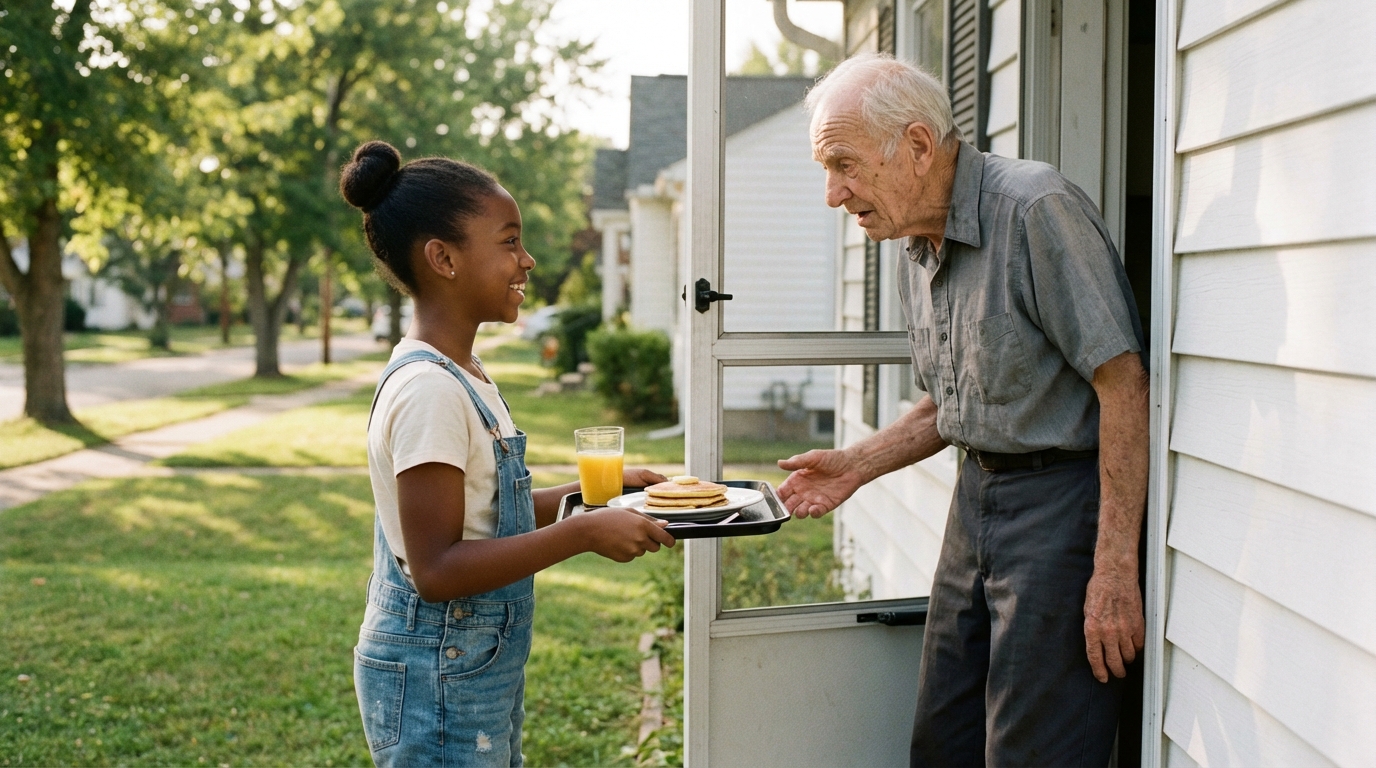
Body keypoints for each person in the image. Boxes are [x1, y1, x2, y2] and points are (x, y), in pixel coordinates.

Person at [776, 54, 1149, 767]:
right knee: (942, 738)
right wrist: (856, 464)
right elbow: (949, 403)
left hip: (1062, 506)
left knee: (1033, 750)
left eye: (845, 165)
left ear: (917, 145)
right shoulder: (914, 239)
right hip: (974, 499)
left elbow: (1124, 385)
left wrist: (1113, 568)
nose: (833, 194)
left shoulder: (1035, 209)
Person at [339, 141, 676, 767]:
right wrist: (584, 532)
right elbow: (438, 569)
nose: (528, 259)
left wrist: (595, 494)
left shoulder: (463, 373)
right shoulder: (430, 390)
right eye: (509, 242)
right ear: (443, 258)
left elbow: (487, 514)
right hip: (437, 675)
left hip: (469, 668)